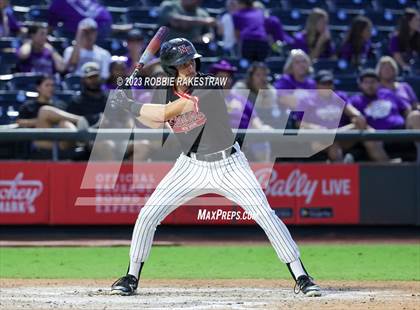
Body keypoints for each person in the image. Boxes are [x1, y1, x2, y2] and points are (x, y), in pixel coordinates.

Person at [110, 38, 322, 297]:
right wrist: (131, 107)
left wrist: (128, 104)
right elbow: (157, 123)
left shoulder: (207, 85)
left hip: (229, 164)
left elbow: (166, 113)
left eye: (191, 61)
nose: (189, 67)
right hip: (190, 165)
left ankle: (301, 276)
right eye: (182, 63)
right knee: (147, 215)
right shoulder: (167, 89)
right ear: (170, 68)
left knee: (265, 215)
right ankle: (131, 276)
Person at [297, 70, 389, 162]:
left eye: (330, 83)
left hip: (340, 134)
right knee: (333, 146)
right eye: (324, 83)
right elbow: (299, 123)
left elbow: (352, 111)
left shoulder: (339, 96)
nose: (327, 86)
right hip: (320, 137)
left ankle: (389, 169)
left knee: (365, 131)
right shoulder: (307, 99)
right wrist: (318, 128)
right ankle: (343, 172)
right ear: (317, 85)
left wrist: (357, 116)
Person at [210, 59, 272, 161]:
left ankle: (261, 174)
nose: (224, 81)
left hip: (244, 140)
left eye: (227, 77)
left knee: (262, 143)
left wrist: (262, 129)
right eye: (221, 77)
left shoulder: (240, 99)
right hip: (217, 140)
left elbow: (255, 121)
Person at [16, 75, 83, 151]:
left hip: (62, 140)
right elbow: (20, 122)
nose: (51, 88)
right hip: (39, 142)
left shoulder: (60, 105)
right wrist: (43, 120)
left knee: (64, 123)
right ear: (38, 88)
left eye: (52, 85)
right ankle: (80, 120)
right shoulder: (29, 106)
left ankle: (81, 139)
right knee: (44, 111)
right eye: (47, 85)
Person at [48, 0, 112, 37]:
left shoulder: (56, 3)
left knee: (61, 30)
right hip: (106, 18)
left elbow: (51, 27)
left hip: (96, 25)